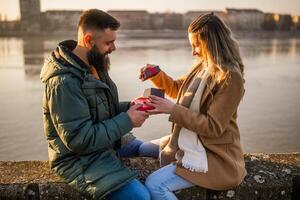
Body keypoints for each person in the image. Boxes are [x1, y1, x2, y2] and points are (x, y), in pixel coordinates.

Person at [40, 9, 157, 200]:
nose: (113, 48)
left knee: (153, 151)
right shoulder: (63, 83)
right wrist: (127, 120)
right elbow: (80, 140)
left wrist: (131, 106)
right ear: (88, 40)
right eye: (108, 43)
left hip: (104, 144)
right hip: (79, 159)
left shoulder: (94, 64)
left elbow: (100, 109)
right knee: (140, 197)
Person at [139, 12, 247, 200]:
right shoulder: (203, 66)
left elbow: (212, 127)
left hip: (212, 154)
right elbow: (178, 89)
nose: (193, 51)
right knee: (141, 149)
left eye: (196, 45)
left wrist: (172, 109)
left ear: (211, 43)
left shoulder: (230, 77)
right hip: (191, 139)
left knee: (154, 185)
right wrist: (156, 74)